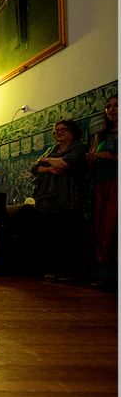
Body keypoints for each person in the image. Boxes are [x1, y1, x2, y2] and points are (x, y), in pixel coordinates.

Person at [30, 119, 87, 281]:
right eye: (56, 131)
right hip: (48, 201)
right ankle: (51, 270)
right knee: (50, 237)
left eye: (62, 130)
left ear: (72, 131)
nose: (58, 133)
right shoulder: (53, 149)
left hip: (69, 199)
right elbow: (34, 168)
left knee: (68, 237)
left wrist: (47, 161)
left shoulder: (78, 148)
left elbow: (66, 163)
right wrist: (49, 168)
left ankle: (69, 272)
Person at [86, 95, 118, 289]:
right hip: (101, 183)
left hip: (117, 183)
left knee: (114, 226)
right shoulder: (101, 135)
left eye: (116, 106)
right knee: (101, 228)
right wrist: (93, 159)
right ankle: (103, 273)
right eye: (108, 106)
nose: (112, 110)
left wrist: (110, 155)